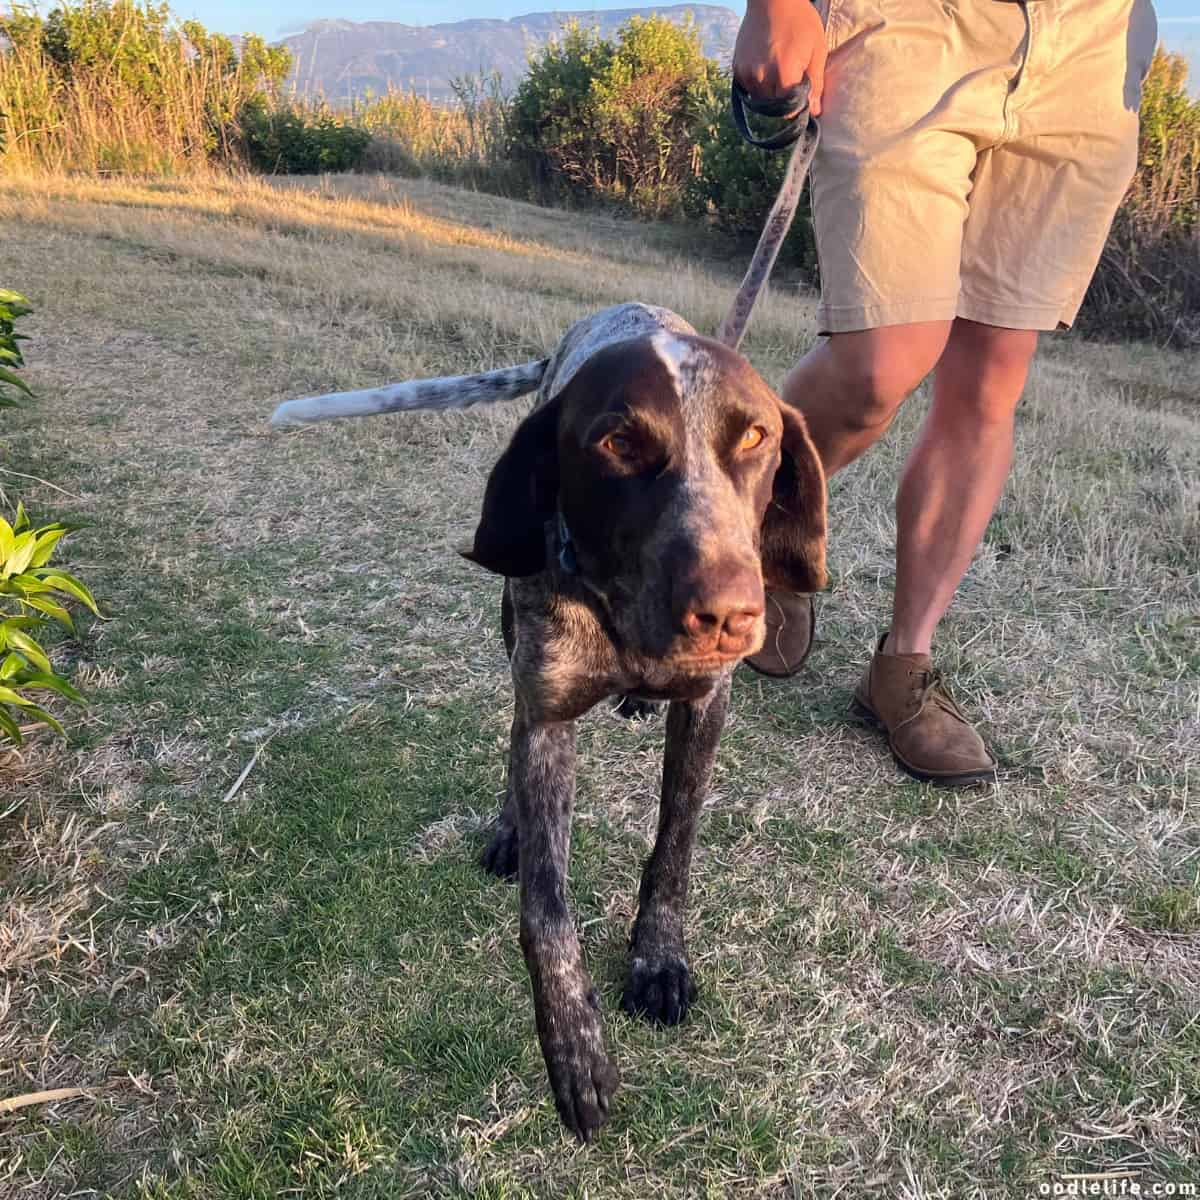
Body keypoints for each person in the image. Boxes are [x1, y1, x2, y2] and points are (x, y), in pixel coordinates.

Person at [734, 0, 1159, 786]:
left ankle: (903, 666)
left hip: (1091, 47)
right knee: (880, 360)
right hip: (914, 21)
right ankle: (750, 541)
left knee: (992, 374)